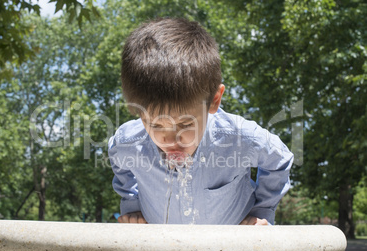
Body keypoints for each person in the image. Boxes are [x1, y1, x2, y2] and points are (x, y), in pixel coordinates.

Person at [108, 17, 293, 225]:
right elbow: (119, 160)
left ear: (214, 100)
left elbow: (280, 159)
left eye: (185, 124)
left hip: (231, 249)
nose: (169, 139)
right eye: (155, 125)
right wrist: (132, 205)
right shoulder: (128, 142)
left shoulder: (239, 138)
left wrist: (262, 211)